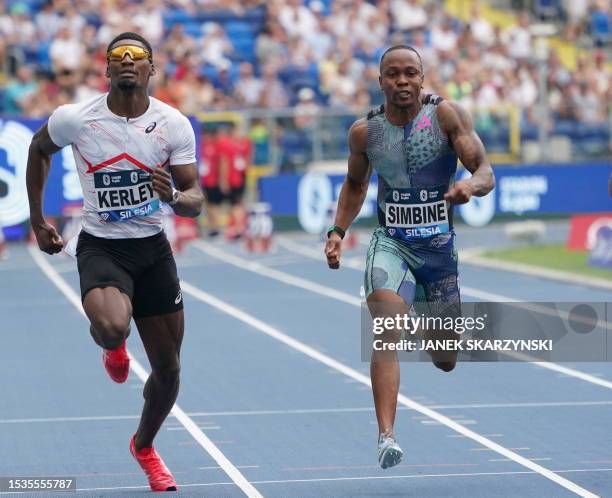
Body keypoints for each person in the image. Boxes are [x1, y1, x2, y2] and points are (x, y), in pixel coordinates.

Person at [26, 32, 204, 491]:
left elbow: (196, 200)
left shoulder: (173, 124)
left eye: (137, 56)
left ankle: (144, 446)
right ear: (106, 69)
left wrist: (176, 196)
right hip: (102, 246)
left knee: (169, 370)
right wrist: (36, 218)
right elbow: (38, 150)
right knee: (111, 325)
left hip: (152, 249)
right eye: (118, 57)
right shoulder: (76, 119)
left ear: (151, 69)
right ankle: (113, 345)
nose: (127, 62)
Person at [324, 45, 494, 469]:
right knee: (385, 327)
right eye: (393, 74)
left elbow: (485, 171)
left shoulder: (445, 117)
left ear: (422, 77)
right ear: (380, 80)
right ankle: (386, 436)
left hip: (438, 250)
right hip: (391, 243)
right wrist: (337, 231)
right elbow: (355, 185)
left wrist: (467, 189)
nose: (402, 81)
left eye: (411, 73)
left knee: (445, 358)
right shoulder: (365, 132)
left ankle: (421, 309)